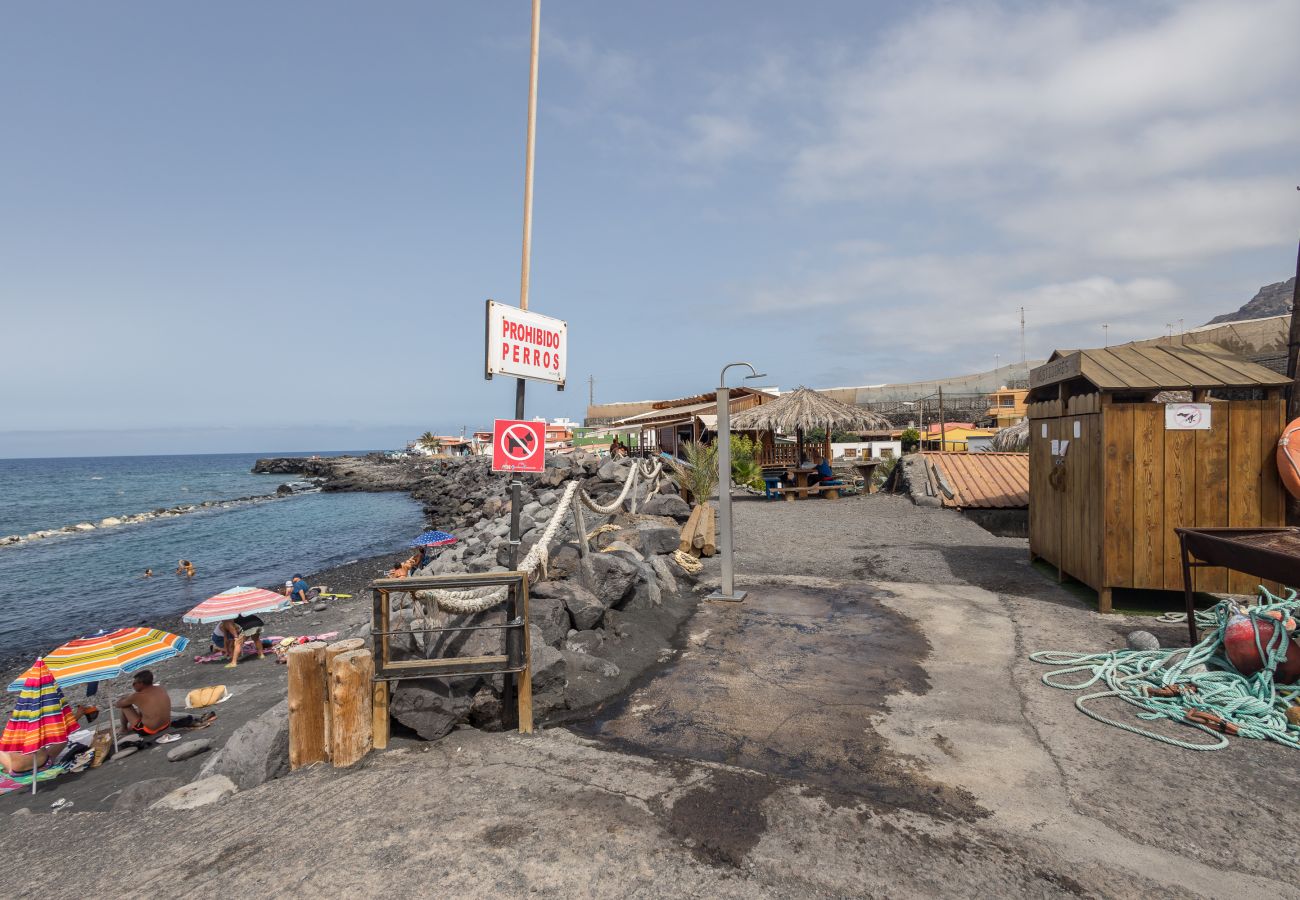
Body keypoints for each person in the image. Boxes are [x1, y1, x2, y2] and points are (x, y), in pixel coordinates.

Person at [114, 669, 172, 737]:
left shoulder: (137, 696)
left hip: (148, 730)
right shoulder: (160, 688)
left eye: (134, 683)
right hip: (166, 725)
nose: (133, 685)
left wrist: (125, 697)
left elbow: (118, 704)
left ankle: (124, 729)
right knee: (143, 706)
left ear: (141, 683)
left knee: (125, 706)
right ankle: (134, 725)